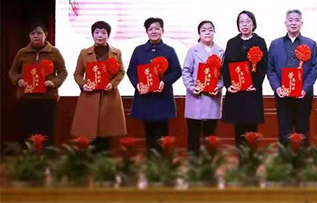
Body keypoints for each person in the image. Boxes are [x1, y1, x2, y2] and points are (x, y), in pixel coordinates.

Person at [127, 17, 182, 155]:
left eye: (157, 28)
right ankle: (150, 160)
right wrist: (137, 84)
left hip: (162, 97)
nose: (154, 31)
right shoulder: (139, 50)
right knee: (148, 131)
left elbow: (177, 71)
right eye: (150, 29)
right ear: (146, 31)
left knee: (162, 132)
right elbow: (131, 71)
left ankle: (162, 161)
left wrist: (165, 82)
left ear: (162, 31)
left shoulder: (169, 50)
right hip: (145, 98)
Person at [70, 21, 127, 152]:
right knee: (89, 133)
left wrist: (112, 84)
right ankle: (91, 161)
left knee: (107, 133)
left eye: (103, 32)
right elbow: (78, 74)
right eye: (96, 32)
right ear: (92, 34)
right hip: (90, 97)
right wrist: (83, 85)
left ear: (108, 35)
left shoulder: (116, 53)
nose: (100, 35)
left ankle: (105, 161)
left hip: (109, 96)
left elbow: (121, 72)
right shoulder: (84, 53)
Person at [9, 23, 68, 145]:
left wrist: (53, 82)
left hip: (47, 99)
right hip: (26, 99)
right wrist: (19, 80)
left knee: (47, 133)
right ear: (29, 36)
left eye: (39, 33)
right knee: (27, 132)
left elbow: (63, 72)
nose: (36, 36)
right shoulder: (22, 52)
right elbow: (13, 72)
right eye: (32, 33)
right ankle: (28, 156)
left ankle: (47, 155)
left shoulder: (54, 52)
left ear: (45, 34)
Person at [267, 10, 317, 147]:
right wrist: (277, 88)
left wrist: (305, 88)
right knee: (284, 130)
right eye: (290, 20)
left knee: (303, 130)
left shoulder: (311, 44)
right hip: (282, 95)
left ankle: (303, 158)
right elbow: (270, 69)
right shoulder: (275, 44)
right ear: (285, 23)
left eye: (296, 20)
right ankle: (285, 159)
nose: (293, 23)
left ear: (301, 23)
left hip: (303, 95)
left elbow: (315, 68)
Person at [222, 11, 268, 147]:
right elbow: (226, 66)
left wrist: (256, 84)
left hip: (252, 91)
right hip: (236, 92)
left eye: (248, 21)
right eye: (241, 22)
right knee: (238, 129)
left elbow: (264, 66)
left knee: (251, 131)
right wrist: (228, 85)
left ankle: (251, 157)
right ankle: (241, 156)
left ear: (253, 24)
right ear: (238, 25)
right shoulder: (232, 42)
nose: (245, 24)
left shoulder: (259, 42)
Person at [182, 20, 224, 154]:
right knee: (193, 134)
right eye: (204, 30)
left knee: (210, 135)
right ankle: (193, 162)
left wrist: (218, 86)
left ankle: (209, 161)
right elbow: (186, 71)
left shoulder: (221, 51)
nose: (207, 32)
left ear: (214, 32)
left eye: (210, 29)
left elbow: (224, 74)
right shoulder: (192, 51)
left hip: (212, 98)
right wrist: (191, 87)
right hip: (196, 97)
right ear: (199, 34)